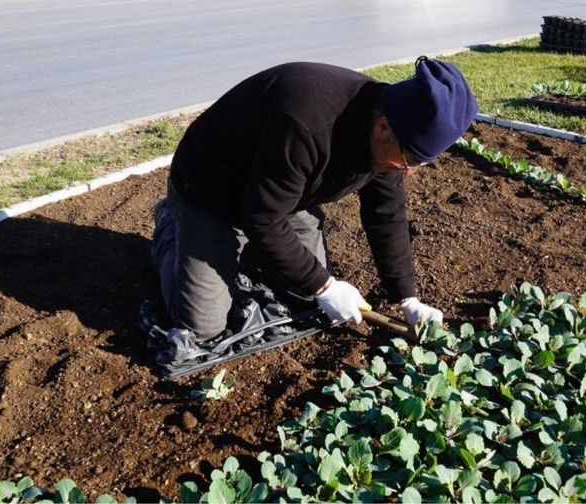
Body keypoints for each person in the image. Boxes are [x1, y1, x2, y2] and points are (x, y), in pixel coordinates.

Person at [151, 56, 478, 341]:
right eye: (408, 161)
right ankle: (171, 225)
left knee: (303, 296)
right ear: (381, 127)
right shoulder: (306, 121)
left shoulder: (394, 126)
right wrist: (325, 286)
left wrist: (408, 299)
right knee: (203, 327)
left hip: (279, 192)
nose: (408, 172)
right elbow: (262, 219)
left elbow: (385, 215)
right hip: (212, 188)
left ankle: (249, 248)